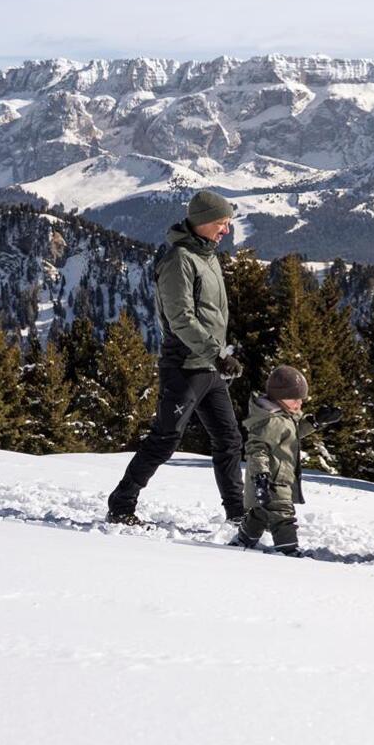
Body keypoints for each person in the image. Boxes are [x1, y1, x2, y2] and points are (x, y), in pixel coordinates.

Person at [105, 190, 245, 526]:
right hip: (185, 366)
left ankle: (238, 513)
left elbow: (210, 313)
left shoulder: (207, 255)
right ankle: (122, 503)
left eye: (227, 223)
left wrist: (221, 354)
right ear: (201, 221)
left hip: (209, 367)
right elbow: (180, 318)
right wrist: (216, 352)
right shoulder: (178, 260)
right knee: (166, 438)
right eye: (221, 223)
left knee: (229, 439)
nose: (226, 230)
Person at [230, 365, 341, 555]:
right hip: (270, 479)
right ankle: (288, 551)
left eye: (301, 399)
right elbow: (257, 450)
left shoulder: (283, 416)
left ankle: (243, 540)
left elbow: (291, 435)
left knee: (261, 513)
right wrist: (260, 477)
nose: (299, 404)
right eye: (294, 399)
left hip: (278, 477)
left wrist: (315, 421)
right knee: (283, 515)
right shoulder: (270, 421)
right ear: (278, 398)